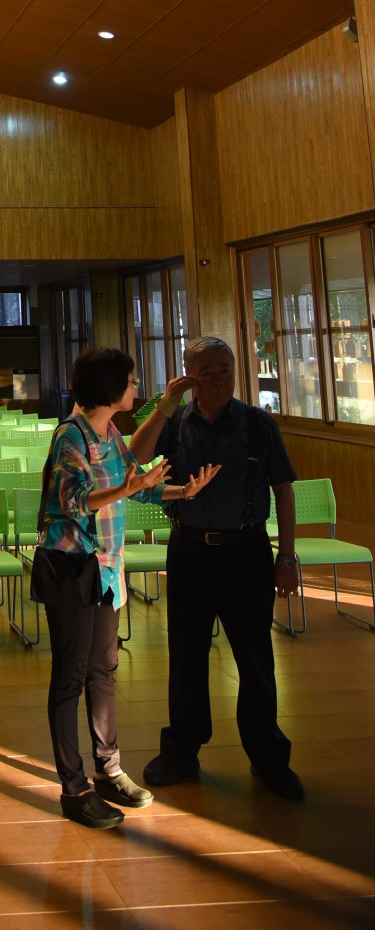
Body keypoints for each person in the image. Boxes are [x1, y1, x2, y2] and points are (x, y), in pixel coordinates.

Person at [39, 347, 219, 829]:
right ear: (110, 388)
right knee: (70, 677)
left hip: (107, 569)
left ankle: (109, 769)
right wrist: (129, 489)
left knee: (103, 671)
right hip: (74, 569)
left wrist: (182, 491)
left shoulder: (110, 432)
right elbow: (74, 501)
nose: (136, 388)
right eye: (132, 381)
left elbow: (137, 480)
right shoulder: (71, 435)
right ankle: (73, 787)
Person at [128, 335, 304, 801]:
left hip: (246, 552)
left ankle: (268, 758)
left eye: (224, 369)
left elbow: (283, 490)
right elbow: (134, 461)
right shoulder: (174, 420)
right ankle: (181, 752)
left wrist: (287, 556)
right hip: (189, 551)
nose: (217, 379)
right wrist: (164, 406)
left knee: (255, 657)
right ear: (189, 377)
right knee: (186, 655)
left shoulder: (258, 424)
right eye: (205, 372)